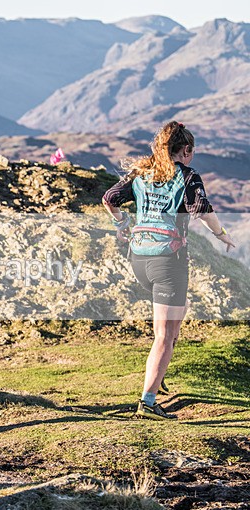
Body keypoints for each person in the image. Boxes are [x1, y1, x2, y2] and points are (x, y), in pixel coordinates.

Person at [102, 121, 236, 420]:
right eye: (191, 152)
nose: (191, 157)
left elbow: (110, 198)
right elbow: (201, 209)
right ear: (185, 150)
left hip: (139, 257)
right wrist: (221, 234)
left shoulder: (141, 172)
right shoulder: (187, 176)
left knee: (173, 323)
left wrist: (122, 223)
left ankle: (157, 372)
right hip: (168, 261)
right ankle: (147, 403)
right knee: (164, 335)